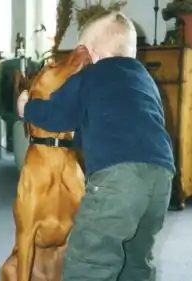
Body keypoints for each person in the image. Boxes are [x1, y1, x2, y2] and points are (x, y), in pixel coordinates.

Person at [17, 12, 175, 281]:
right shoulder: (146, 80)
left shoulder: (90, 76)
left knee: (89, 258)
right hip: (162, 178)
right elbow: (114, 125)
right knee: (137, 257)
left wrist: (27, 108)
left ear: (91, 55)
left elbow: (58, 115)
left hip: (117, 180)